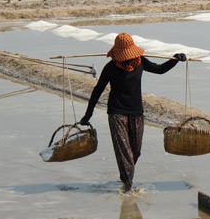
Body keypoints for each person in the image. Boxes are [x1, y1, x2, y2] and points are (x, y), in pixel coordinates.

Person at [79, 32, 186, 192]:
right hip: (116, 113)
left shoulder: (140, 61)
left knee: (135, 151)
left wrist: (175, 59)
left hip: (136, 112)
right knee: (124, 152)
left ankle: (125, 177)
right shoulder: (111, 67)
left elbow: (160, 69)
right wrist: (88, 114)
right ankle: (128, 189)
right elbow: (97, 90)